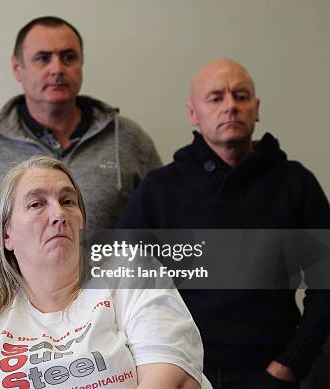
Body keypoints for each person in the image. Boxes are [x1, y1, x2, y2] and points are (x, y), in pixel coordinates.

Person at [0, 16, 162, 316]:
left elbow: (168, 233)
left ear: (81, 64)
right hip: (6, 333)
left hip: (108, 328)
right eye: (42, 58)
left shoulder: (128, 140)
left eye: (68, 57)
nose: (57, 69)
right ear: (18, 68)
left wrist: (146, 313)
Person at [119, 59, 330, 388]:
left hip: (275, 371)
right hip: (181, 371)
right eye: (216, 98)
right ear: (193, 113)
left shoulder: (296, 184)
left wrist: (289, 367)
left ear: (256, 108)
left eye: (241, 96)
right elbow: (124, 283)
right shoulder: (159, 189)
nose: (230, 106)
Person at [0, 156, 205, 388]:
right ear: (6, 234)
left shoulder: (130, 272)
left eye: (68, 201)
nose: (58, 214)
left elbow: (174, 379)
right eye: (36, 204)